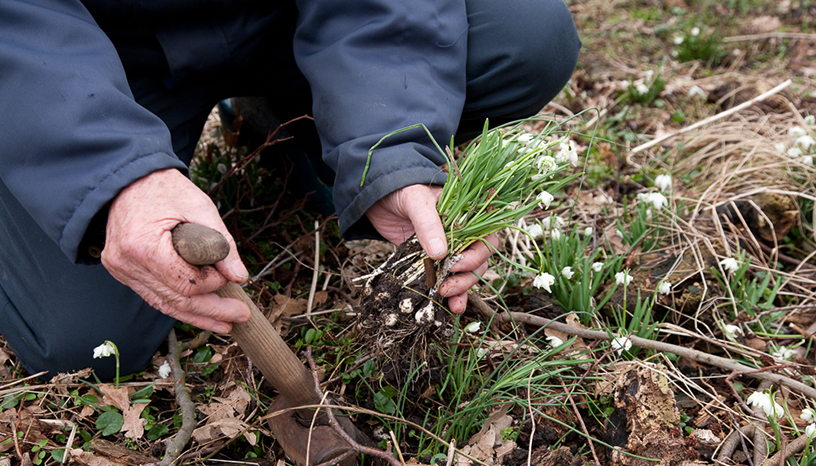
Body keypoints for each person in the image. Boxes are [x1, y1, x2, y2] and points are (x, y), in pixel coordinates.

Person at [0, 0, 581, 380]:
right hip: (87, 53)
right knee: (87, 345)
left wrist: (393, 151)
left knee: (524, 39)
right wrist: (111, 175)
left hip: (289, 17)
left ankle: (287, 118)